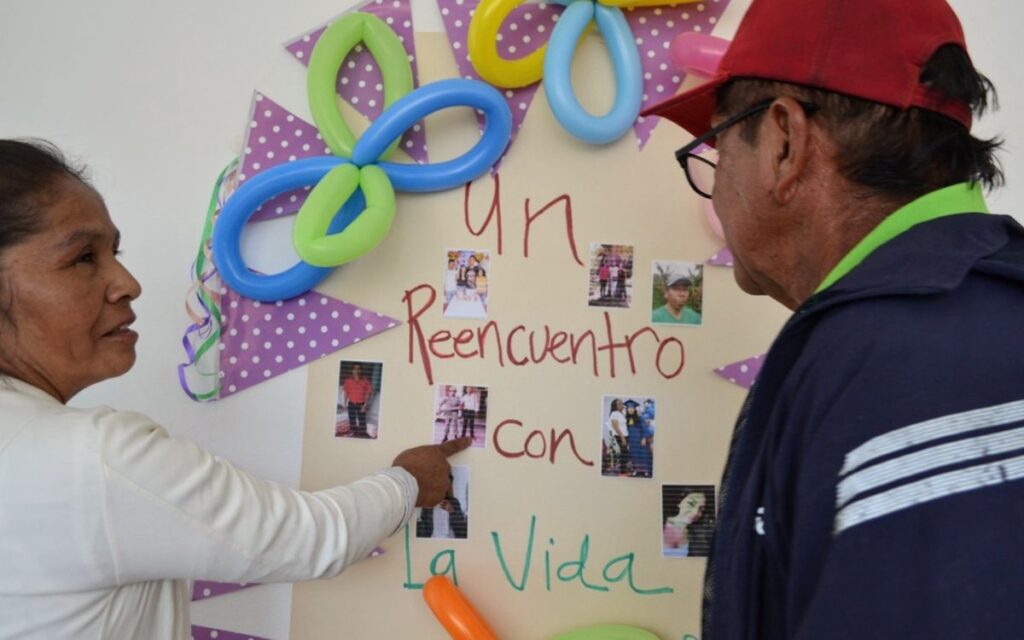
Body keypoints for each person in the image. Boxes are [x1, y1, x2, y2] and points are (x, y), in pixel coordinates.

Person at [644, 0, 1024, 637]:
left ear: (785, 141)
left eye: (714, 147)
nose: (714, 184)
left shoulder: (900, 364)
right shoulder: (962, 316)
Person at [0, 139, 472, 640]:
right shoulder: (90, 459)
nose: (127, 282)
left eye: (115, 252)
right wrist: (409, 482)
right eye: (82, 258)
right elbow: (308, 536)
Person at [661, 486, 715, 558]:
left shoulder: (698, 536)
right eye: (691, 504)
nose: (695, 512)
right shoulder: (659, 526)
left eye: (701, 509)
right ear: (680, 502)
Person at [415, 473, 468, 540]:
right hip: (432, 540)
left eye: (447, 485)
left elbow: (461, 530)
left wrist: (452, 511)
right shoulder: (427, 501)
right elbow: (421, 527)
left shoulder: (454, 502)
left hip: (450, 540)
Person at [340, 362, 373, 437]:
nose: (357, 370)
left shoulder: (365, 381)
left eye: (359, 369)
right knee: (352, 420)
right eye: (355, 369)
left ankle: (362, 434)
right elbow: (346, 393)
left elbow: (368, 394)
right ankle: (353, 432)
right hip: (351, 403)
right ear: (352, 370)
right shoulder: (348, 381)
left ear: (361, 370)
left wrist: (365, 405)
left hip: (361, 404)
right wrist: (345, 404)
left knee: (362, 420)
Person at [624, 399, 652, 477]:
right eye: (629, 408)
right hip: (632, 441)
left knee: (643, 455)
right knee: (634, 456)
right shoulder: (626, 419)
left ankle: (646, 471)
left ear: (634, 409)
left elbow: (645, 429)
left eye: (632, 408)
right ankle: (636, 470)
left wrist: (644, 438)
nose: (630, 410)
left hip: (640, 440)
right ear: (627, 409)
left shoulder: (639, 418)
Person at [603, 398, 628, 476]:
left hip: (625, 435)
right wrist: (622, 437)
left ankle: (624, 469)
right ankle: (622, 471)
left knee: (625, 452)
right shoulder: (614, 413)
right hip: (620, 435)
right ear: (615, 406)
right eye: (619, 404)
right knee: (624, 452)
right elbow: (615, 427)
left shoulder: (621, 413)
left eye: (621, 403)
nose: (621, 405)